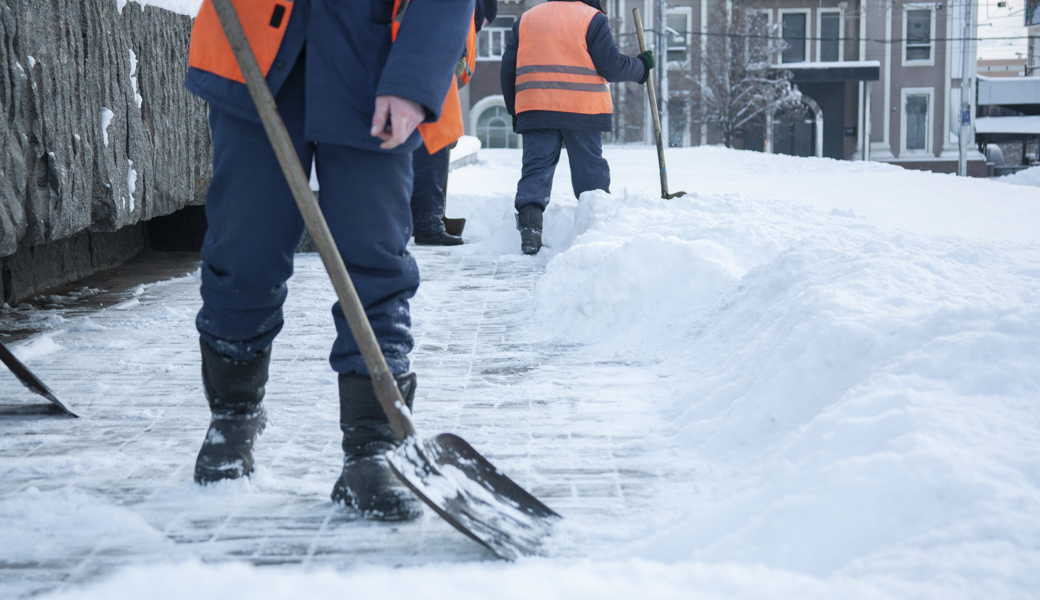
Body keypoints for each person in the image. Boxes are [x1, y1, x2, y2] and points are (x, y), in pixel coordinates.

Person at [183, 0, 473, 521]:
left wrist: (414, 77)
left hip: (377, 59)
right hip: (260, 49)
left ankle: (373, 447)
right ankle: (232, 418)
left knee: (374, 255)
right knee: (243, 245)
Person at [501, 0, 653, 254]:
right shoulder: (591, 18)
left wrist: (514, 108)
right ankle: (595, 230)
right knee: (589, 170)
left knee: (535, 170)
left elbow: (508, 67)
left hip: (536, 108)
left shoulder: (528, 18)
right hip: (582, 110)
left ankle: (530, 231)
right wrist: (642, 67)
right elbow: (611, 66)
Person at [410, 0, 498, 246]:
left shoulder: (470, 12)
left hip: (436, 63)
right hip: (434, 63)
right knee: (433, 146)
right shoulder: (464, 11)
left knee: (433, 144)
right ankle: (427, 224)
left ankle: (421, 220)